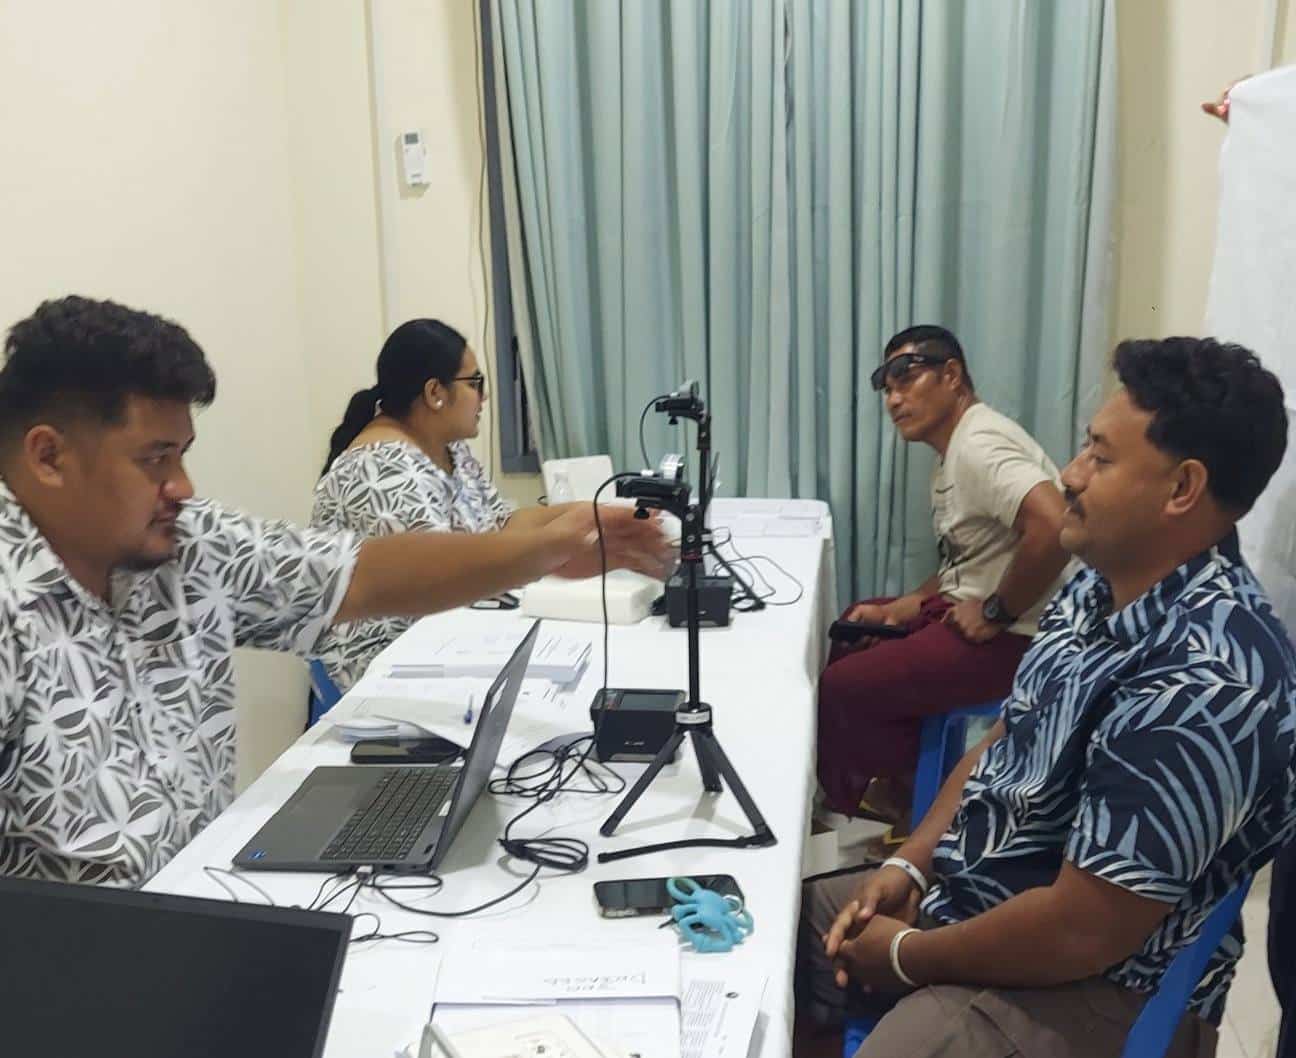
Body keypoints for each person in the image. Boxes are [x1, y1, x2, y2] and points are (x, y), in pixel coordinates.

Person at [0, 296, 670, 887]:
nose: (182, 486)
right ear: (49, 456)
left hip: (199, 899)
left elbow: (359, 574)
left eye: (181, 454)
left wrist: (543, 552)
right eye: (154, 459)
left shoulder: (189, 542)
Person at [797, 337, 1296, 1058]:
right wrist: (911, 865)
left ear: (1182, 489)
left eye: (1101, 457)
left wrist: (906, 955)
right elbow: (1009, 738)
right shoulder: (1100, 582)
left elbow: (1082, 930)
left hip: (1096, 985)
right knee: (783, 925)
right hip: (985, 902)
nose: (1070, 473)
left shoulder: (1208, 682)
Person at [817, 325, 1072, 821]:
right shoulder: (955, 450)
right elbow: (969, 559)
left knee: (844, 686)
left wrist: (997, 611)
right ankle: (904, 785)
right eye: (886, 387)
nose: (894, 398)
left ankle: (916, 800)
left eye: (906, 377)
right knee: (854, 628)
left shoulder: (979, 445)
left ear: (952, 376)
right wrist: (909, 603)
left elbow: (1054, 524)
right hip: (978, 613)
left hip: (1020, 637)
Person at [311, 319, 622, 691]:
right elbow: (443, 579)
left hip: (447, 634)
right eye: (475, 384)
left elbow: (499, 524)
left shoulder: (448, 448)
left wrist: (594, 515)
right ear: (435, 393)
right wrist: (556, 545)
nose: (483, 398)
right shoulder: (382, 468)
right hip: (384, 661)